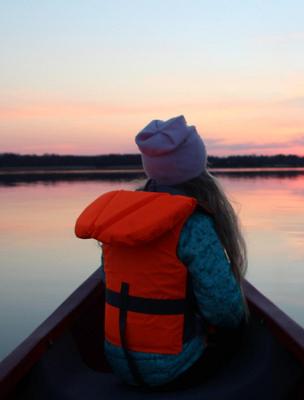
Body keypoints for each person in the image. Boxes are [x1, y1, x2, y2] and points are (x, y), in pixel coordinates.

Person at [74, 115, 247, 388]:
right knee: (241, 330)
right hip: (175, 370)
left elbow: (109, 282)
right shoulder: (194, 224)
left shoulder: (119, 220)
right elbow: (224, 312)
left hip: (118, 364)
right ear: (197, 169)